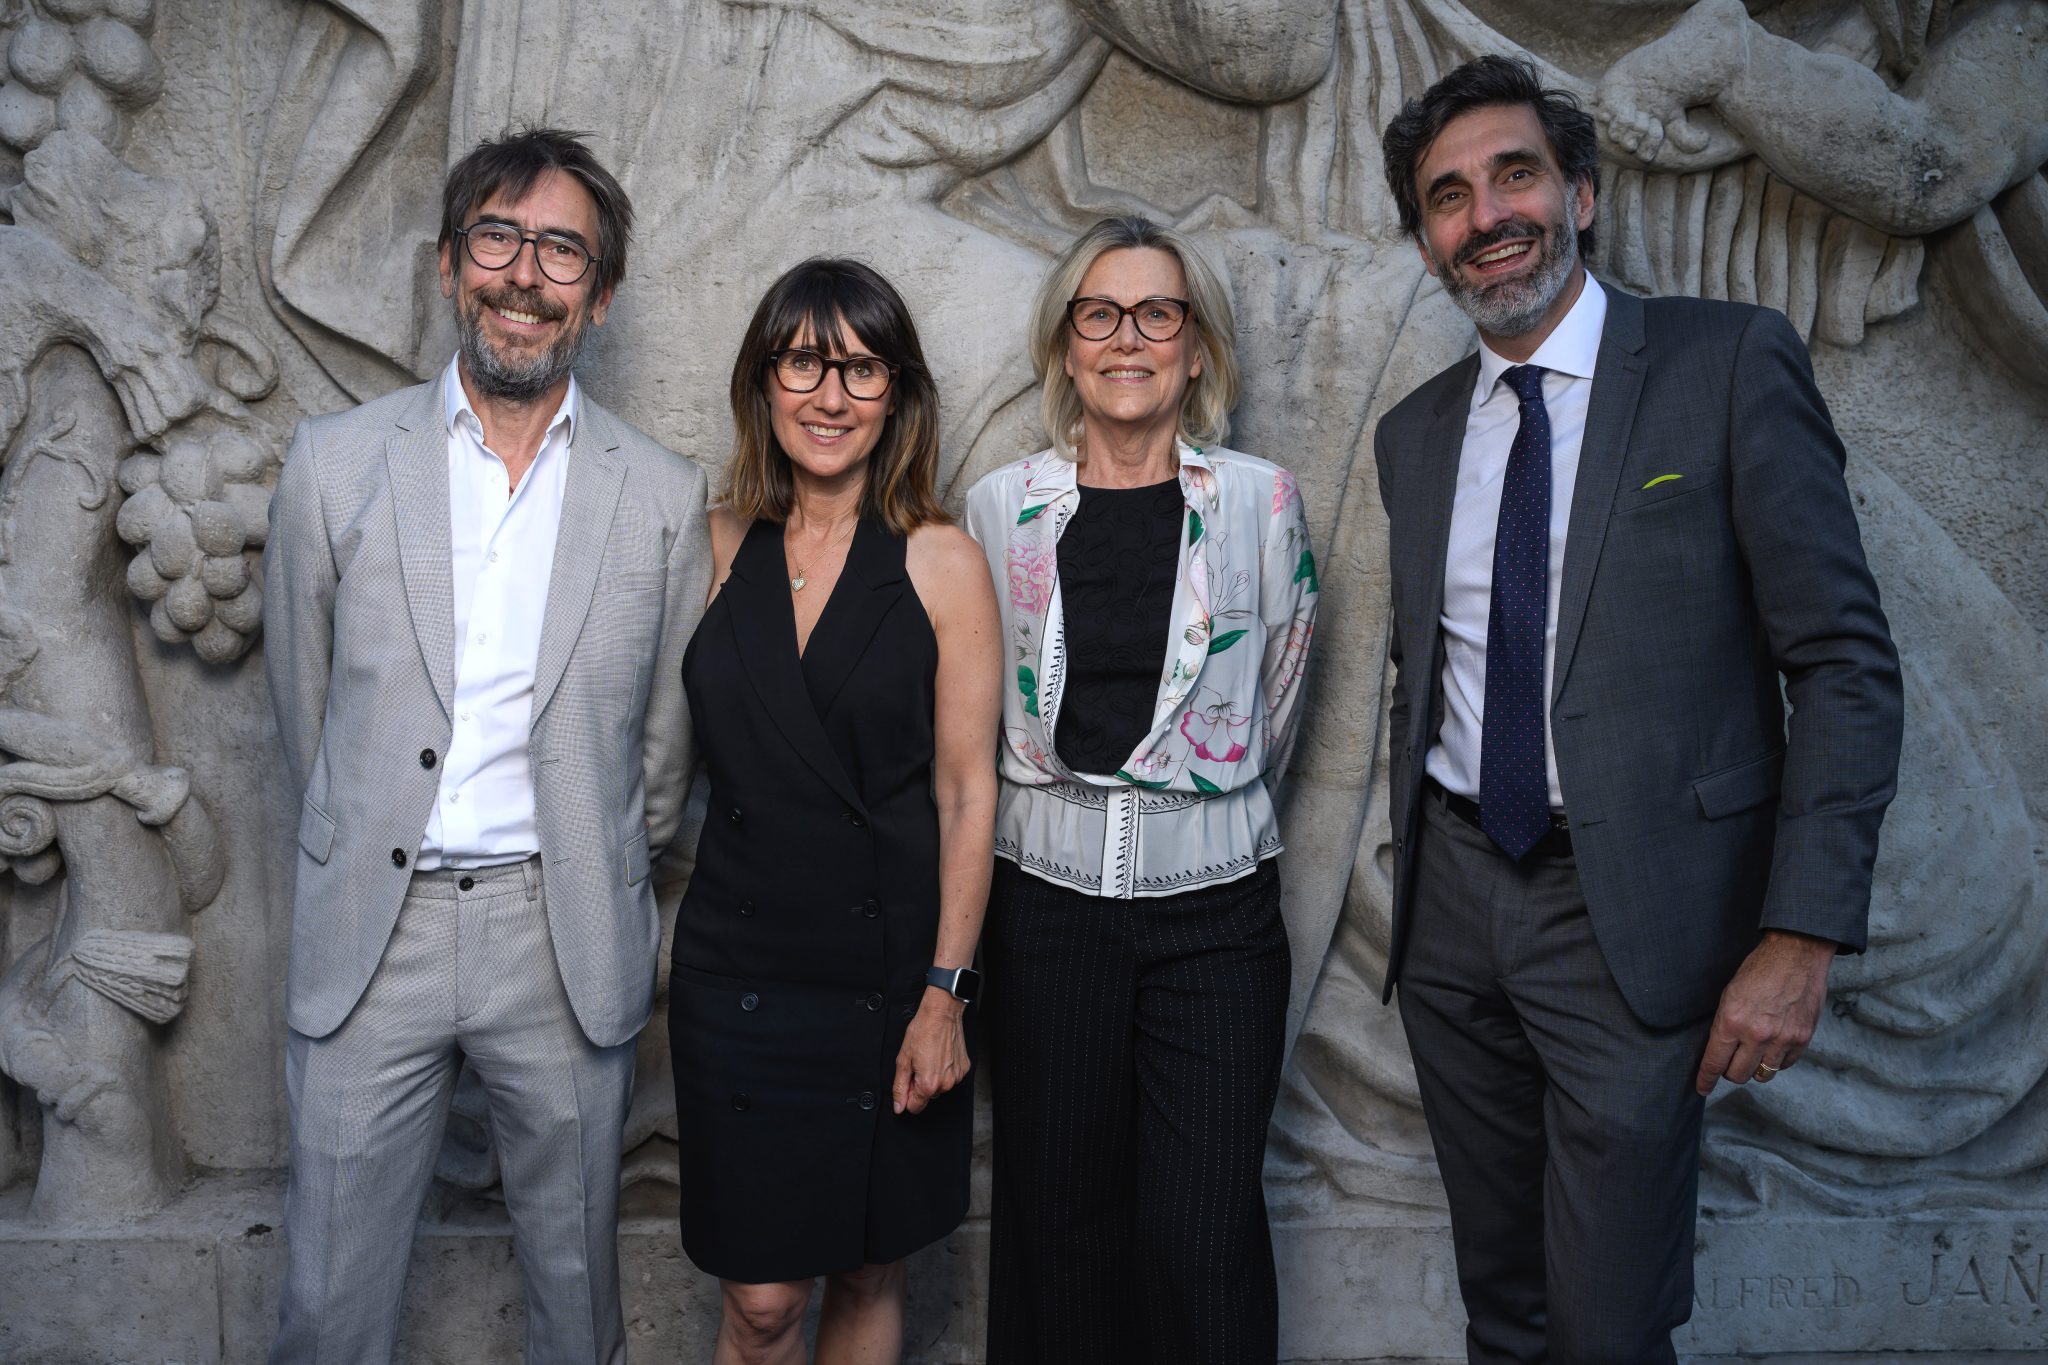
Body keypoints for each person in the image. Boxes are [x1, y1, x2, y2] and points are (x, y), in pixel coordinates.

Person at [1372, 56, 1904, 1363]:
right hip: (1452, 907)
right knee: (1502, 1307)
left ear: (1583, 194)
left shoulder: (1725, 363)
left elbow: (1842, 657)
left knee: (1608, 1326)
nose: (1486, 213)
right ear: (1429, 239)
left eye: (1514, 174)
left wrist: (1801, 932)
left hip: (1634, 920)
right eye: (1449, 195)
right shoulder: (1416, 432)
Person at [262, 128, 711, 1363]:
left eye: (561, 248)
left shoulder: (663, 498)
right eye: (498, 239)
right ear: (450, 267)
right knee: (325, 1305)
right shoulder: (334, 468)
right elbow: (310, 715)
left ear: (599, 291)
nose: (527, 274)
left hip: (559, 937)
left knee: (579, 1304)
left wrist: (590, 856)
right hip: (371, 934)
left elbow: (662, 763)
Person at [963, 216, 1319, 1365]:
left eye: (1156, 314)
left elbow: (1279, 702)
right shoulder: (996, 507)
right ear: (1066, 345)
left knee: (1200, 1236)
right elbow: (970, 726)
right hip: (1042, 916)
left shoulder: (1261, 507)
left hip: (1215, 922)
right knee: (1053, 1228)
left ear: (1197, 347)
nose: (1128, 339)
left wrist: (1190, 808)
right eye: (1099, 315)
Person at [669, 258, 1001, 1365]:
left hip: (892, 982)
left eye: (860, 368)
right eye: (803, 361)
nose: (829, 393)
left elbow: (965, 795)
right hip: (738, 976)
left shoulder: (940, 560)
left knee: (867, 1265)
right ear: (762, 383)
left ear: (897, 394)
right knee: (760, 1304)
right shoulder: (708, 544)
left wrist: (944, 996)